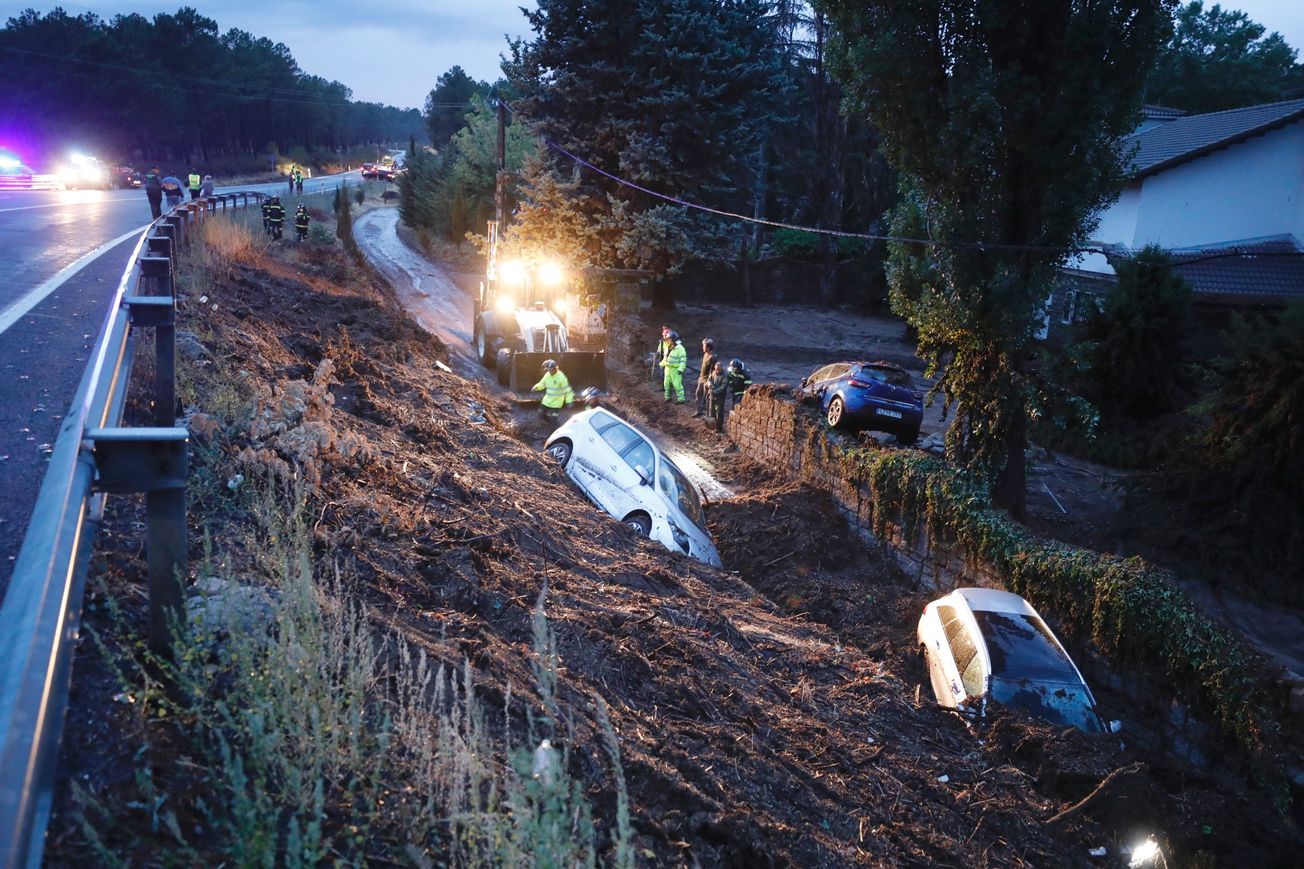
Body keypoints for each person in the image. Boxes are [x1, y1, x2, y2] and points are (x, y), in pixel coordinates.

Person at [660, 331, 687, 404]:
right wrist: (662, 363)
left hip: (675, 370)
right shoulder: (667, 347)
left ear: (673, 339)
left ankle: (681, 399)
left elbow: (683, 360)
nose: (668, 340)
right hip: (667, 368)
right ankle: (667, 397)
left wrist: (681, 369)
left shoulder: (680, 349)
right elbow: (666, 357)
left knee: (677, 385)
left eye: (669, 339)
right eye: (668, 339)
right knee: (666, 384)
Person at [692, 337, 717, 418]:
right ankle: (699, 411)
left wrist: (709, 381)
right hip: (702, 378)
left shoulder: (713, 357)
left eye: (704, 346)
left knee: (707, 398)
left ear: (708, 347)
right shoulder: (705, 354)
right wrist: (700, 377)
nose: (702, 347)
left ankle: (708, 415)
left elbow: (712, 371)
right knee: (698, 394)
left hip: (707, 380)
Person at [707, 360, 729, 432]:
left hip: (720, 397)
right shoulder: (713, 373)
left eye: (718, 370)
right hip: (712, 396)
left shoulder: (725, 376)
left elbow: (723, 387)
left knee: (719, 413)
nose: (717, 371)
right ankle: (712, 426)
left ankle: (719, 428)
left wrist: (714, 391)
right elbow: (709, 379)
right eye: (716, 369)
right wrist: (709, 384)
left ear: (721, 368)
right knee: (712, 411)